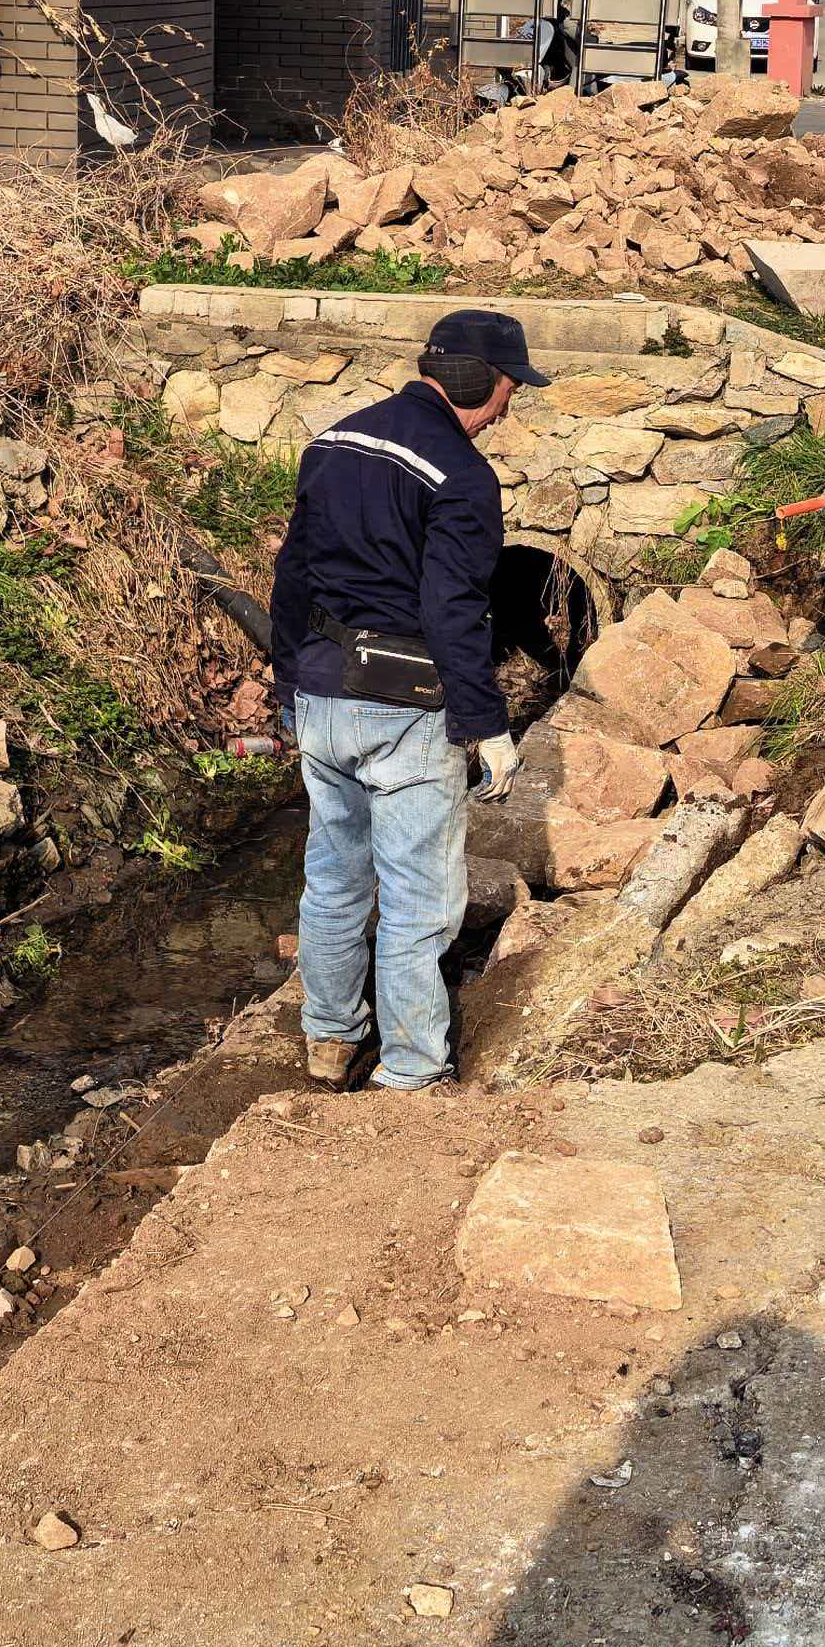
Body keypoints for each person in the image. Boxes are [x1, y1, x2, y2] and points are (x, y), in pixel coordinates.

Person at [266, 308, 545, 1088]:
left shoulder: (334, 441)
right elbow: (452, 610)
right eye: (507, 389)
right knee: (420, 901)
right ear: (474, 380)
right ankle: (412, 1071)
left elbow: (292, 576)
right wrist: (486, 726)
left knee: (334, 877)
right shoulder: (461, 476)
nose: (506, 407)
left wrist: (288, 686)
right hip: (403, 707)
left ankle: (328, 1037)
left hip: (322, 694)